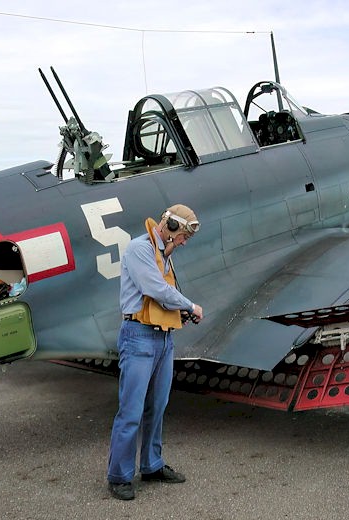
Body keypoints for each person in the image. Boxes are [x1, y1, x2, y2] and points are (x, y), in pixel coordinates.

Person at [107, 204, 204, 501]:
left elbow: (164, 296)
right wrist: (190, 306)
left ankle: (151, 465)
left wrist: (180, 314)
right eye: (183, 235)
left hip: (163, 339)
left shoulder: (163, 254)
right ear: (171, 227)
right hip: (138, 338)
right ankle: (120, 476)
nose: (184, 242)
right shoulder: (140, 249)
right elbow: (156, 289)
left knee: (157, 407)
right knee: (131, 410)